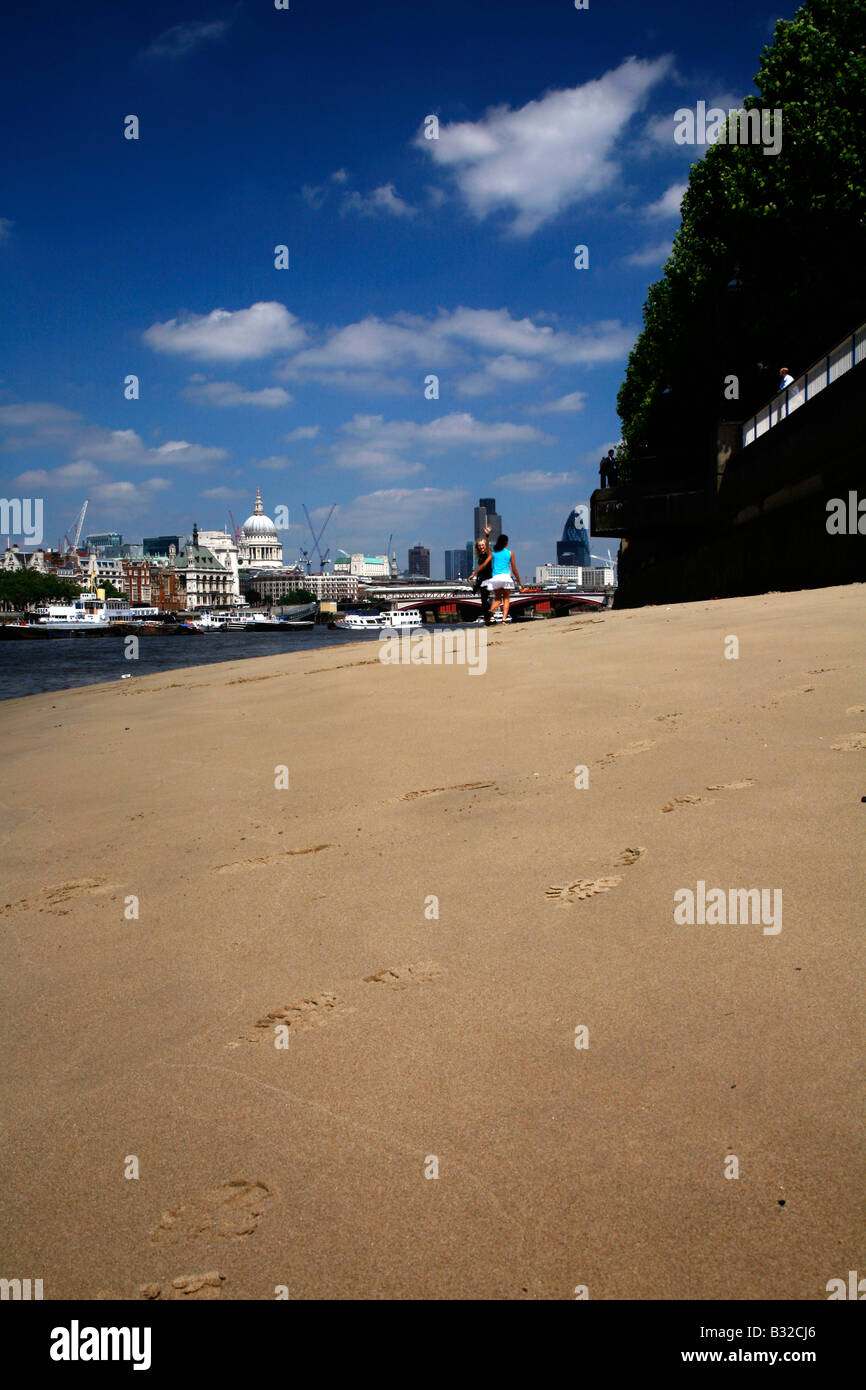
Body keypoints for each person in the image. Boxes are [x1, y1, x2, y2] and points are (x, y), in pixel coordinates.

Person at [483, 534, 522, 624]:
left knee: (497, 600)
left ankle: (490, 611)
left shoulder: (494, 553)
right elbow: (514, 569)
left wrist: (487, 536)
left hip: (496, 578)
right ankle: (504, 620)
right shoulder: (510, 553)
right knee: (506, 599)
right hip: (506, 578)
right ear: (506, 543)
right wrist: (520, 582)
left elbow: (487, 551)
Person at [468, 525, 494, 625]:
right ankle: (488, 619)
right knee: (483, 600)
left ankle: (490, 617)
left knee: (485, 600)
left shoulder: (488, 553)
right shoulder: (480, 556)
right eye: (479, 545)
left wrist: (487, 535)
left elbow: (487, 545)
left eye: (482, 545)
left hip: (488, 579)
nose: (481, 546)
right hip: (482, 579)